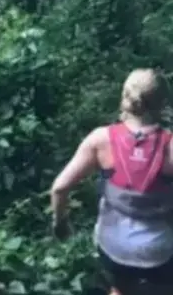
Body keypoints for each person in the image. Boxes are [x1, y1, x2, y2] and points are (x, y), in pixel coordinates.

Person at [50, 68, 173, 295]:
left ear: (125, 96)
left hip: (114, 247)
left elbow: (59, 188)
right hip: (159, 251)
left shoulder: (101, 139)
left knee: (119, 288)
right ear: (163, 103)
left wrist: (61, 224)